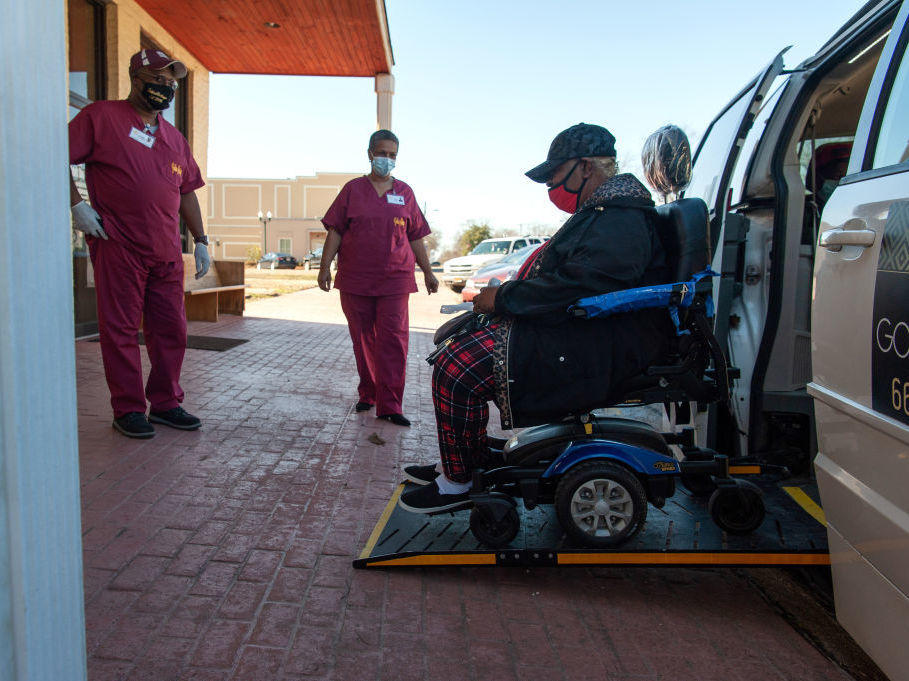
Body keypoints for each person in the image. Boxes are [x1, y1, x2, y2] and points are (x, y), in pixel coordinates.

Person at [399, 123, 671, 513]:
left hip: (597, 340)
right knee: (456, 348)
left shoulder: (620, 218)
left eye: (555, 174)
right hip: (581, 327)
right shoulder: (606, 212)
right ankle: (465, 462)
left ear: (585, 168)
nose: (550, 186)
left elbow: (583, 285)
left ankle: (457, 483)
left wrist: (506, 298)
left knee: (458, 367)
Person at [69, 49, 209, 439]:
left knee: (172, 331)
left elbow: (187, 192)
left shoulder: (173, 138)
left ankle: (165, 403)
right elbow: (51, 156)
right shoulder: (100, 117)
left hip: (164, 252)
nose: (165, 87)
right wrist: (77, 207)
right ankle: (128, 409)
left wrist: (200, 240)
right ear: (136, 77)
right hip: (119, 245)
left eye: (171, 82)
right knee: (121, 330)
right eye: (158, 78)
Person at [319, 130, 439, 427]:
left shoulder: (405, 193)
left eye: (392, 155)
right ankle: (368, 393)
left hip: (395, 280)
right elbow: (335, 231)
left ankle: (390, 405)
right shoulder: (352, 190)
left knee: (394, 342)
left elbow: (416, 238)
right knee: (363, 340)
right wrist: (324, 267)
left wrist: (428, 271)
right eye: (382, 153)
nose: (387, 159)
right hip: (355, 279)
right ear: (370, 153)